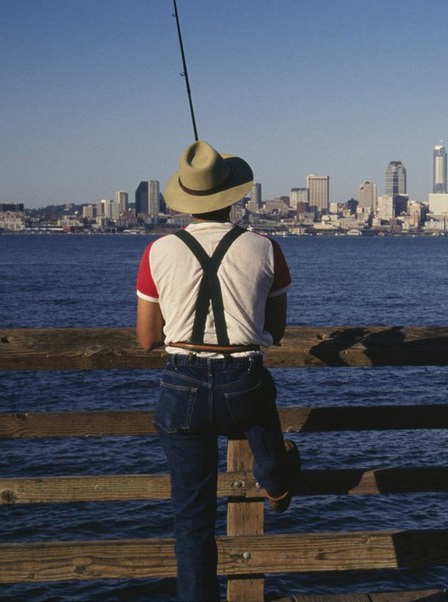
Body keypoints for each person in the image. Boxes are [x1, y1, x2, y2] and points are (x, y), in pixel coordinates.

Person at [136, 140, 300, 601]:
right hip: (243, 381)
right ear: (232, 196)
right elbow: (277, 329)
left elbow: (147, 338)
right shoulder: (266, 248)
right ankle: (275, 479)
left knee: (191, 522)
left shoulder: (158, 252)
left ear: (186, 200)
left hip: (181, 386)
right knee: (261, 415)